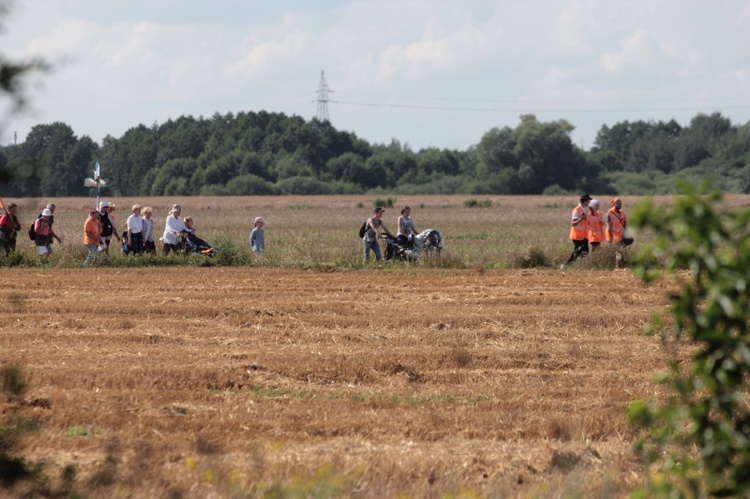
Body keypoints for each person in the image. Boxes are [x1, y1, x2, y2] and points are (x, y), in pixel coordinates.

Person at [563, 194, 591, 267]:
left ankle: (583, 266)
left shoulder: (585, 210)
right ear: (585, 201)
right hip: (577, 236)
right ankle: (567, 264)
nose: (589, 202)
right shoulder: (577, 210)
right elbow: (573, 223)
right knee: (578, 251)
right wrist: (581, 218)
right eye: (588, 201)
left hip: (584, 236)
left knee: (585, 252)